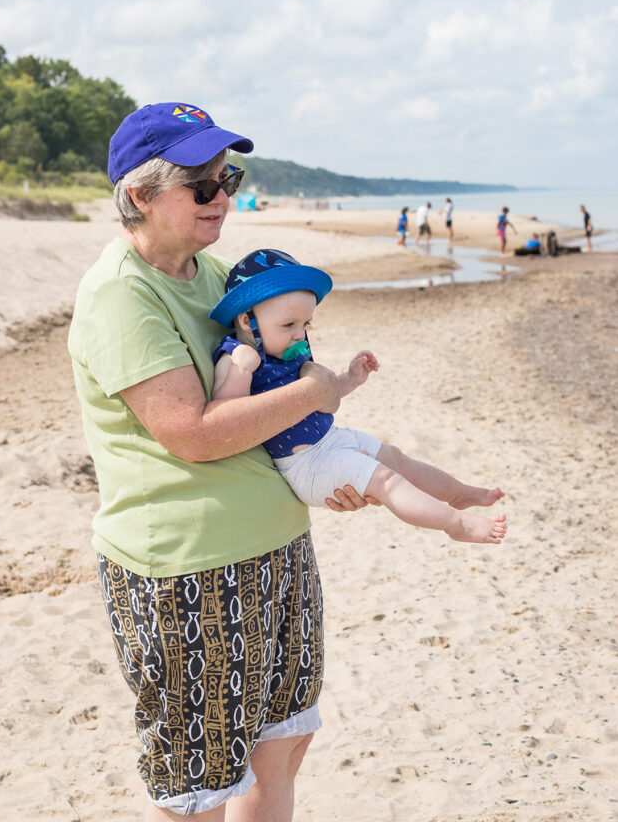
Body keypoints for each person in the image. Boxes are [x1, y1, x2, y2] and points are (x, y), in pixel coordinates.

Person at [68, 103, 359, 821]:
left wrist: (330, 461)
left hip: (277, 549)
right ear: (138, 196)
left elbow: (277, 380)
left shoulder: (216, 275)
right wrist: (313, 393)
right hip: (188, 572)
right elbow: (192, 434)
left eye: (226, 178)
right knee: (195, 783)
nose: (222, 197)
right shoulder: (121, 296)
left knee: (281, 746)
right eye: (200, 186)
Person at [210, 249, 508, 545]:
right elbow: (230, 417)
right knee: (385, 480)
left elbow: (317, 396)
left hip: (332, 439)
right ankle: (455, 525)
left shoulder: (283, 350)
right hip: (305, 464)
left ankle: (458, 494)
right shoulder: (237, 356)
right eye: (289, 325)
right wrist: (240, 371)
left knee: (397, 460)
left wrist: (350, 379)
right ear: (248, 321)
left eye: (305, 324)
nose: (299, 334)